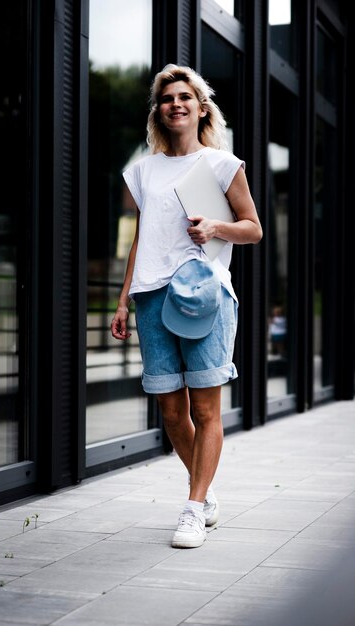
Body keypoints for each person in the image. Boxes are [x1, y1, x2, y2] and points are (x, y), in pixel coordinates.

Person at [111, 64, 262, 549]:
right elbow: (140, 239)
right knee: (172, 412)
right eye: (166, 98)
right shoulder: (143, 170)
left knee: (205, 406)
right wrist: (122, 298)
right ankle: (207, 489)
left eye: (184, 97)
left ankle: (194, 508)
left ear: (201, 109)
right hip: (152, 297)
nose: (175, 104)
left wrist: (216, 229)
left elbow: (253, 227)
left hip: (203, 295)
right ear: (159, 110)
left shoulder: (221, 165)